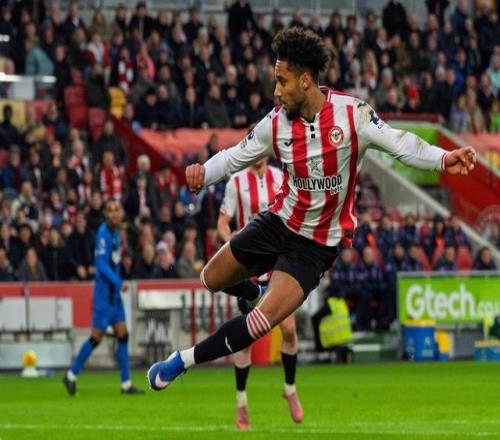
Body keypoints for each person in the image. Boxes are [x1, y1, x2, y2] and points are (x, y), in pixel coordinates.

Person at [147, 27, 476, 395]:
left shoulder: (353, 115)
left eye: (282, 81)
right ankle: (257, 291)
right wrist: (202, 173)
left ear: (305, 81)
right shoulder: (276, 124)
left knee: (259, 323)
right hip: (278, 222)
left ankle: (181, 361)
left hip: (315, 245)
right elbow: (235, 156)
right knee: (211, 278)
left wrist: (444, 158)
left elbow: (402, 144)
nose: (276, 91)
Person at [218, 155, 302, 429]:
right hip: (250, 268)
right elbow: (223, 223)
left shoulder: (281, 177)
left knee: (289, 329)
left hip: (279, 265)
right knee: (246, 338)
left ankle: (289, 388)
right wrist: (232, 244)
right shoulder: (236, 182)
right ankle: (241, 403)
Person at [63, 200, 143, 396]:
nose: (115, 214)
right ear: (106, 214)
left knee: (123, 335)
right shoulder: (103, 234)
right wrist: (118, 282)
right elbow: (101, 265)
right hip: (104, 295)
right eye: (111, 210)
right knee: (96, 338)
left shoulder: (115, 234)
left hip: (114, 296)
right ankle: (71, 375)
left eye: (117, 210)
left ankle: (126, 384)